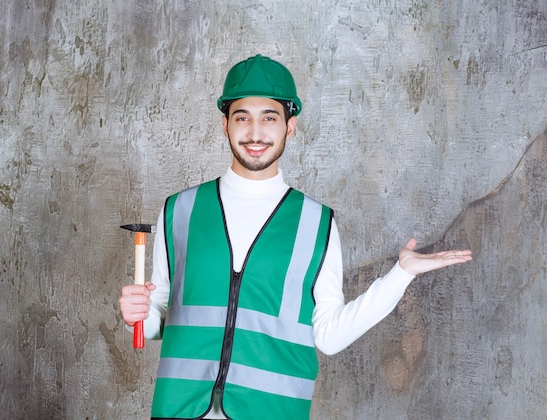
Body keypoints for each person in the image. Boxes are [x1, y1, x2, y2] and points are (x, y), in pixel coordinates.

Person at [119, 54, 472, 420]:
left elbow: (330, 336)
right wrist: (136, 315)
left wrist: (402, 275)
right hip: (179, 408)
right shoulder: (180, 210)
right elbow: (158, 314)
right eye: (242, 117)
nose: (255, 133)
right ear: (225, 124)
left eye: (269, 118)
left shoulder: (316, 222)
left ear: (290, 126)